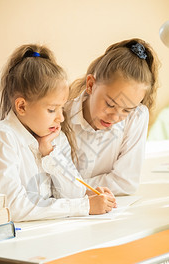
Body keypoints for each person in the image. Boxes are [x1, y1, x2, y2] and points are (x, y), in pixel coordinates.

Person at [0, 44, 116, 221]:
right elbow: (15, 208)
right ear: (22, 106)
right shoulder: (4, 140)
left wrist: (51, 155)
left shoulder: (54, 138)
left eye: (61, 108)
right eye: (51, 110)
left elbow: (72, 194)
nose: (61, 118)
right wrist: (85, 205)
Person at [66, 38, 160, 195]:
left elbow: (126, 183)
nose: (115, 117)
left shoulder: (137, 116)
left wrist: (70, 188)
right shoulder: (61, 115)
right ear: (90, 85)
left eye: (127, 109)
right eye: (110, 104)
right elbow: (50, 183)